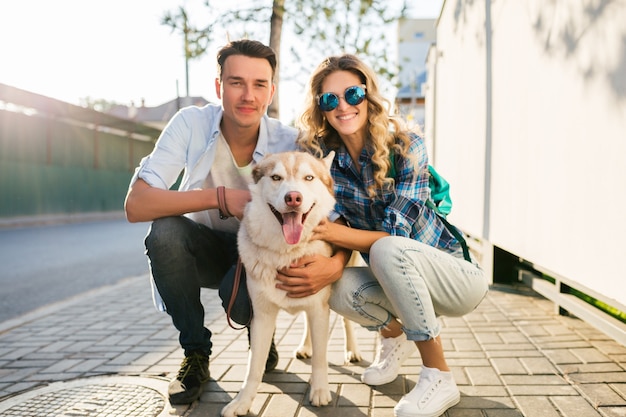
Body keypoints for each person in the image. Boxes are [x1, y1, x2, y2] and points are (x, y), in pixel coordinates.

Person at [124, 39, 344, 405]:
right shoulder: (190, 125)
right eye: (236, 82)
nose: (248, 95)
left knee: (243, 301)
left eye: (260, 84)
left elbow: (327, 208)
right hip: (207, 247)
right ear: (218, 86)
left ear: (271, 91)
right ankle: (195, 352)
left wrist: (333, 265)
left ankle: (261, 336)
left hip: (263, 254)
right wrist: (220, 198)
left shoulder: (290, 144)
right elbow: (137, 204)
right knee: (163, 234)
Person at [286, 54, 490, 417]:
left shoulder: (406, 144)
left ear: (368, 95)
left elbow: (396, 234)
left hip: (456, 279)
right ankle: (395, 336)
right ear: (320, 108)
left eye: (352, 93)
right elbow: (331, 230)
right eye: (330, 99)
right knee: (337, 286)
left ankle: (438, 375)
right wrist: (332, 266)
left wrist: (336, 232)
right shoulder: (325, 161)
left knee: (386, 248)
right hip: (396, 279)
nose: (343, 106)